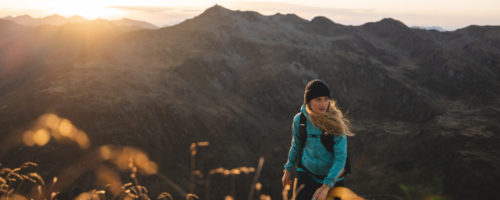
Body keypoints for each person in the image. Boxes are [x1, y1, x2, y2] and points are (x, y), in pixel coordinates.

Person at [282, 79, 354, 200]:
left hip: (333, 178)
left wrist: (326, 186)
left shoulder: (336, 123)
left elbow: (341, 158)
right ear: (309, 101)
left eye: (326, 99)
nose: (323, 104)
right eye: (318, 99)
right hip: (306, 173)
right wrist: (288, 170)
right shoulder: (300, 121)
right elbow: (296, 145)